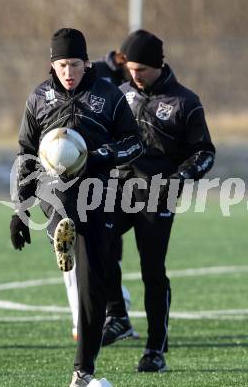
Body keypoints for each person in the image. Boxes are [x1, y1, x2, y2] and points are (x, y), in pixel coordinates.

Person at [9, 28, 143, 386]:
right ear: (53, 64)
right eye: (62, 64)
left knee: (92, 286)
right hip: (55, 189)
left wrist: (101, 154)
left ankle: (82, 372)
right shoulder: (39, 98)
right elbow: (25, 155)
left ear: (87, 62)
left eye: (75, 64)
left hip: (99, 192)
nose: (69, 72)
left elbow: (135, 143)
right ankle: (59, 232)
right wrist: (19, 211)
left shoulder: (108, 95)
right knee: (62, 208)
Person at [101, 30, 216, 373]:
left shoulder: (185, 102)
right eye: (131, 68)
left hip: (156, 195)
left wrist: (180, 178)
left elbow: (204, 153)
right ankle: (117, 316)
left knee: (153, 272)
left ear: (159, 66)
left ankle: (155, 349)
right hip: (118, 190)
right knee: (95, 244)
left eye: (142, 69)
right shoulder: (119, 94)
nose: (135, 75)